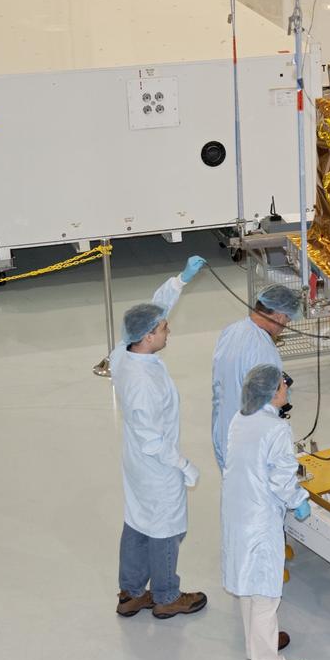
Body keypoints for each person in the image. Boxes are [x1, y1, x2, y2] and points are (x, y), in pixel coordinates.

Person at [112, 257, 210, 620]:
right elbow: (153, 440)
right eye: (165, 328)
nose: (170, 331)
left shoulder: (124, 351)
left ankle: (131, 593)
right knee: (165, 529)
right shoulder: (143, 385)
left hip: (135, 464)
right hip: (155, 464)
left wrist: (180, 281)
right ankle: (167, 596)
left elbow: (155, 309)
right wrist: (183, 466)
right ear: (150, 336)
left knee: (137, 521)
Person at [221, 364, 312, 660]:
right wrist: (299, 501)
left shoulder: (239, 418)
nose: (287, 386)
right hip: (260, 519)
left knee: (248, 586)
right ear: (273, 392)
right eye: (283, 383)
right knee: (265, 594)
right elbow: (283, 480)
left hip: (237, 512)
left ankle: (255, 644)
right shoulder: (276, 430)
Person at [211, 284, 302, 470]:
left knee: (234, 489)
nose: (285, 325)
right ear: (278, 316)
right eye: (287, 319)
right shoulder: (264, 348)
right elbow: (267, 400)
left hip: (223, 428)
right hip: (249, 439)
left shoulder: (232, 330)